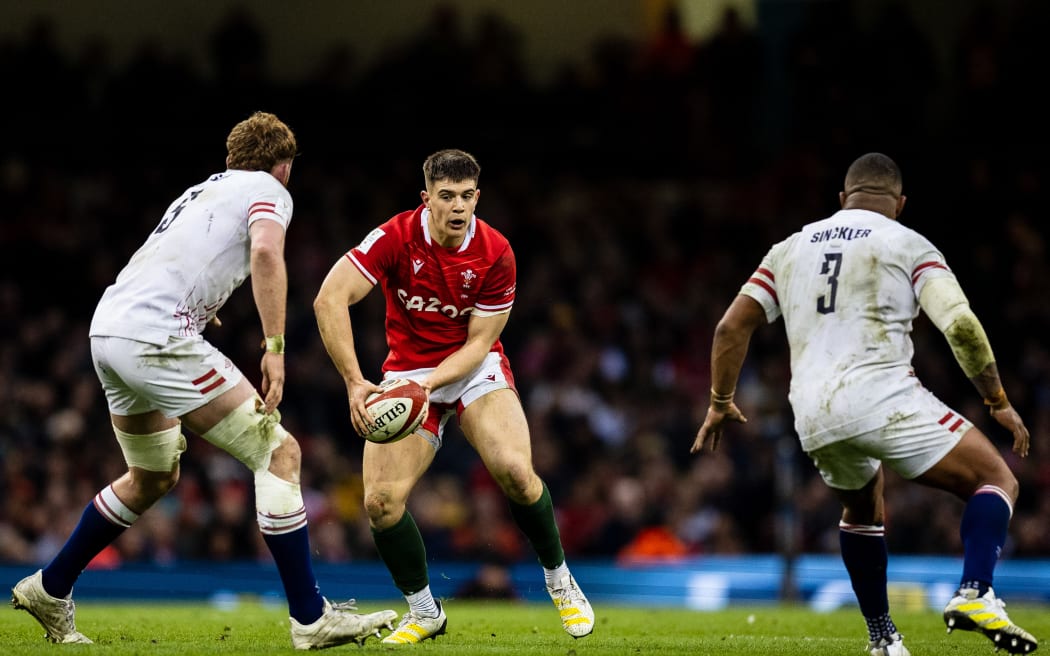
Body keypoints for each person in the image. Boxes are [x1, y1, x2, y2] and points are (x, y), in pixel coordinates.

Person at [10, 111, 397, 649]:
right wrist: (276, 347)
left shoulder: (201, 190)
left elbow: (174, 258)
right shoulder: (270, 188)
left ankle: (49, 588)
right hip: (157, 336)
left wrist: (200, 302)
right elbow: (265, 250)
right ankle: (311, 618)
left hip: (111, 331)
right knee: (279, 452)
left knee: (151, 475)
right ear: (284, 166)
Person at [691, 153, 1038, 656]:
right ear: (899, 203)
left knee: (862, 506)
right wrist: (997, 399)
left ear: (841, 200)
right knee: (996, 479)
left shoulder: (788, 249)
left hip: (811, 413)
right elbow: (960, 325)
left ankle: (883, 638)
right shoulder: (907, 242)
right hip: (882, 395)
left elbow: (730, 327)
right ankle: (976, 592)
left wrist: (720, 400)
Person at [313, 148, 595, 644]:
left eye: (466, 196)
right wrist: (357, 381)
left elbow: (480, 344)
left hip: (470, 369)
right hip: (405, 371)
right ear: (427, 199)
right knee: (380, 503)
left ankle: (560, 581)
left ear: (477, 197)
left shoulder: (496, 251)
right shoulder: (394, 237)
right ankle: (425, 611)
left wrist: (426, 386)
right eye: (446, 196)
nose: (458, 206)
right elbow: (329, 298)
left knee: (516, 473)